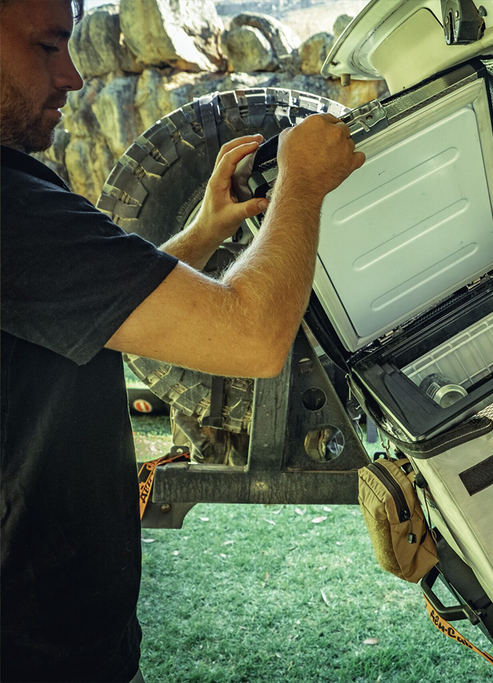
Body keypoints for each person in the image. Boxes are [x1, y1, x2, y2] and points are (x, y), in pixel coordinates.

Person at [0, 0, 366, 680]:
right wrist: (302, 184)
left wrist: (202, 234)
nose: (74, 78)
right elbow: (253, 336)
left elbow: (97, 314)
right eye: (49, 47)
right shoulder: (10, 209)